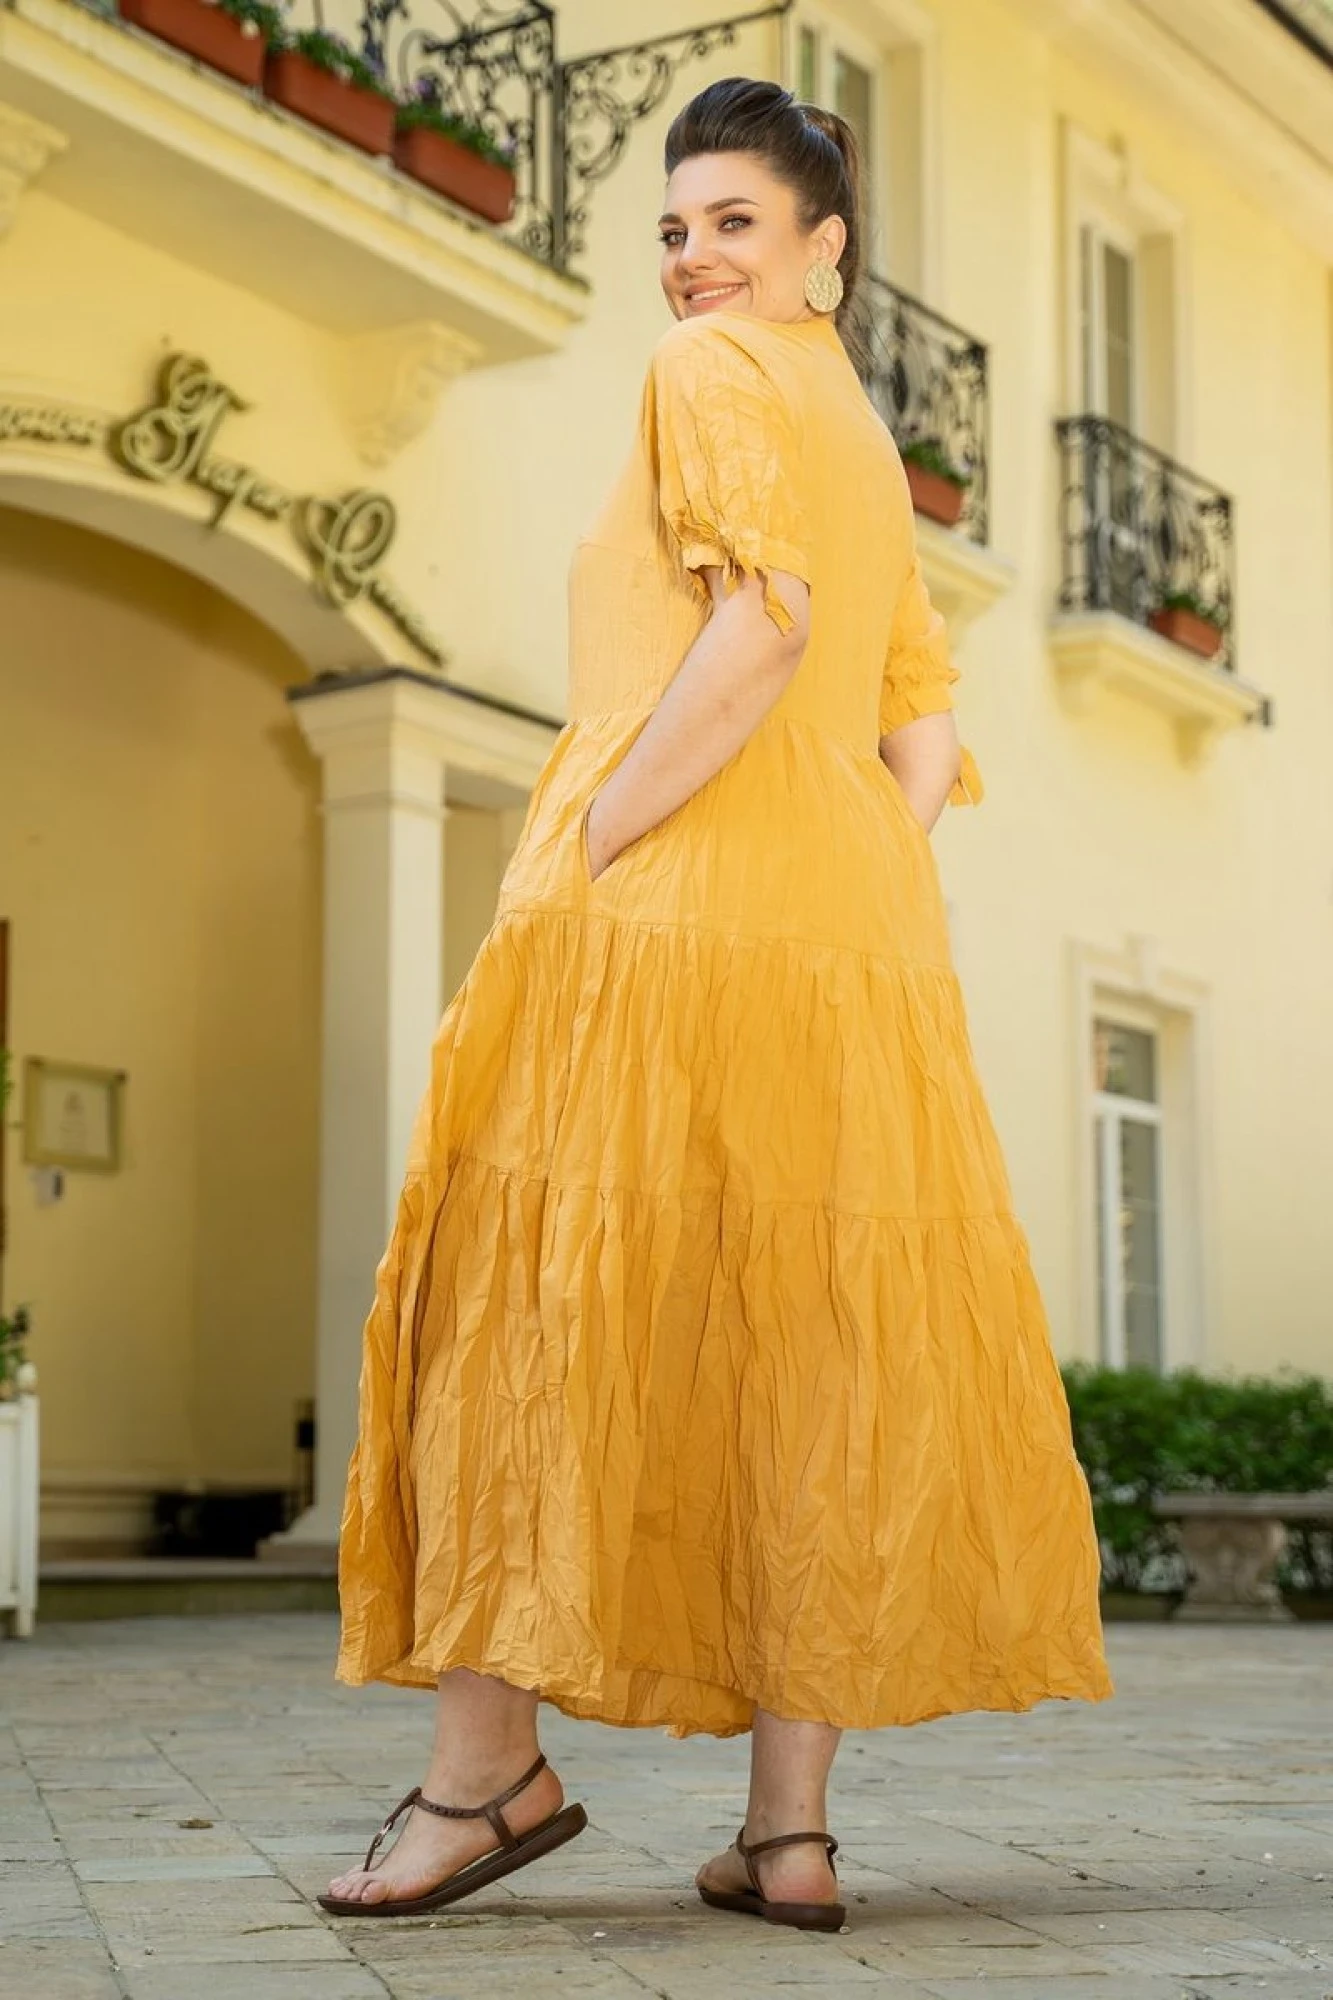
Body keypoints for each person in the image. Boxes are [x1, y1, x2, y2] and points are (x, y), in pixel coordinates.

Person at [320, 76, 1113, 1934]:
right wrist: (837, 878)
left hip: (664, 904)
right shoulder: (865, 435)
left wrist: (608, 828)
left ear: (824, 248)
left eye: (734, 221)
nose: (690, 258)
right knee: (803, 1346)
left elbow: (761, 627)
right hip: (846, 935)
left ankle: (483, 1781)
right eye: (674, 228)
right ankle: (788, 1837)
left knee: (538, 1311)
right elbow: (922, 731)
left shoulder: (708, 373)